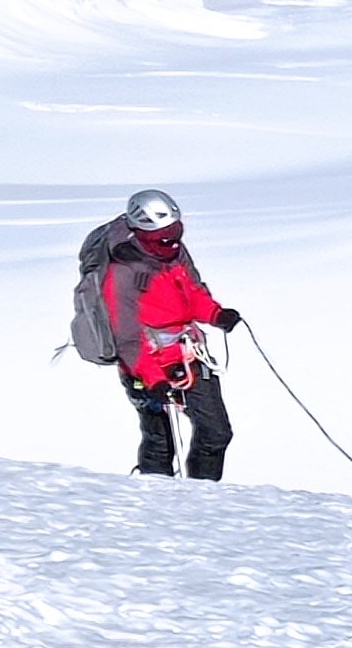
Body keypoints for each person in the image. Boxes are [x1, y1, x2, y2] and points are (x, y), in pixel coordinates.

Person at [89, 188, 241, 480]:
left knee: (216, 433)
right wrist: (153, 379)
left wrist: (214, 314)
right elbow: (128, 338)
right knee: (160, 444)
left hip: (188, 355)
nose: (173, 240)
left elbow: (191, 292)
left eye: (176, 231)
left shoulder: (172, 251)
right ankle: (157, 506)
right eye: (165, 236)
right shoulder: (123, 273)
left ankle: (203, 498)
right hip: (147, 366)